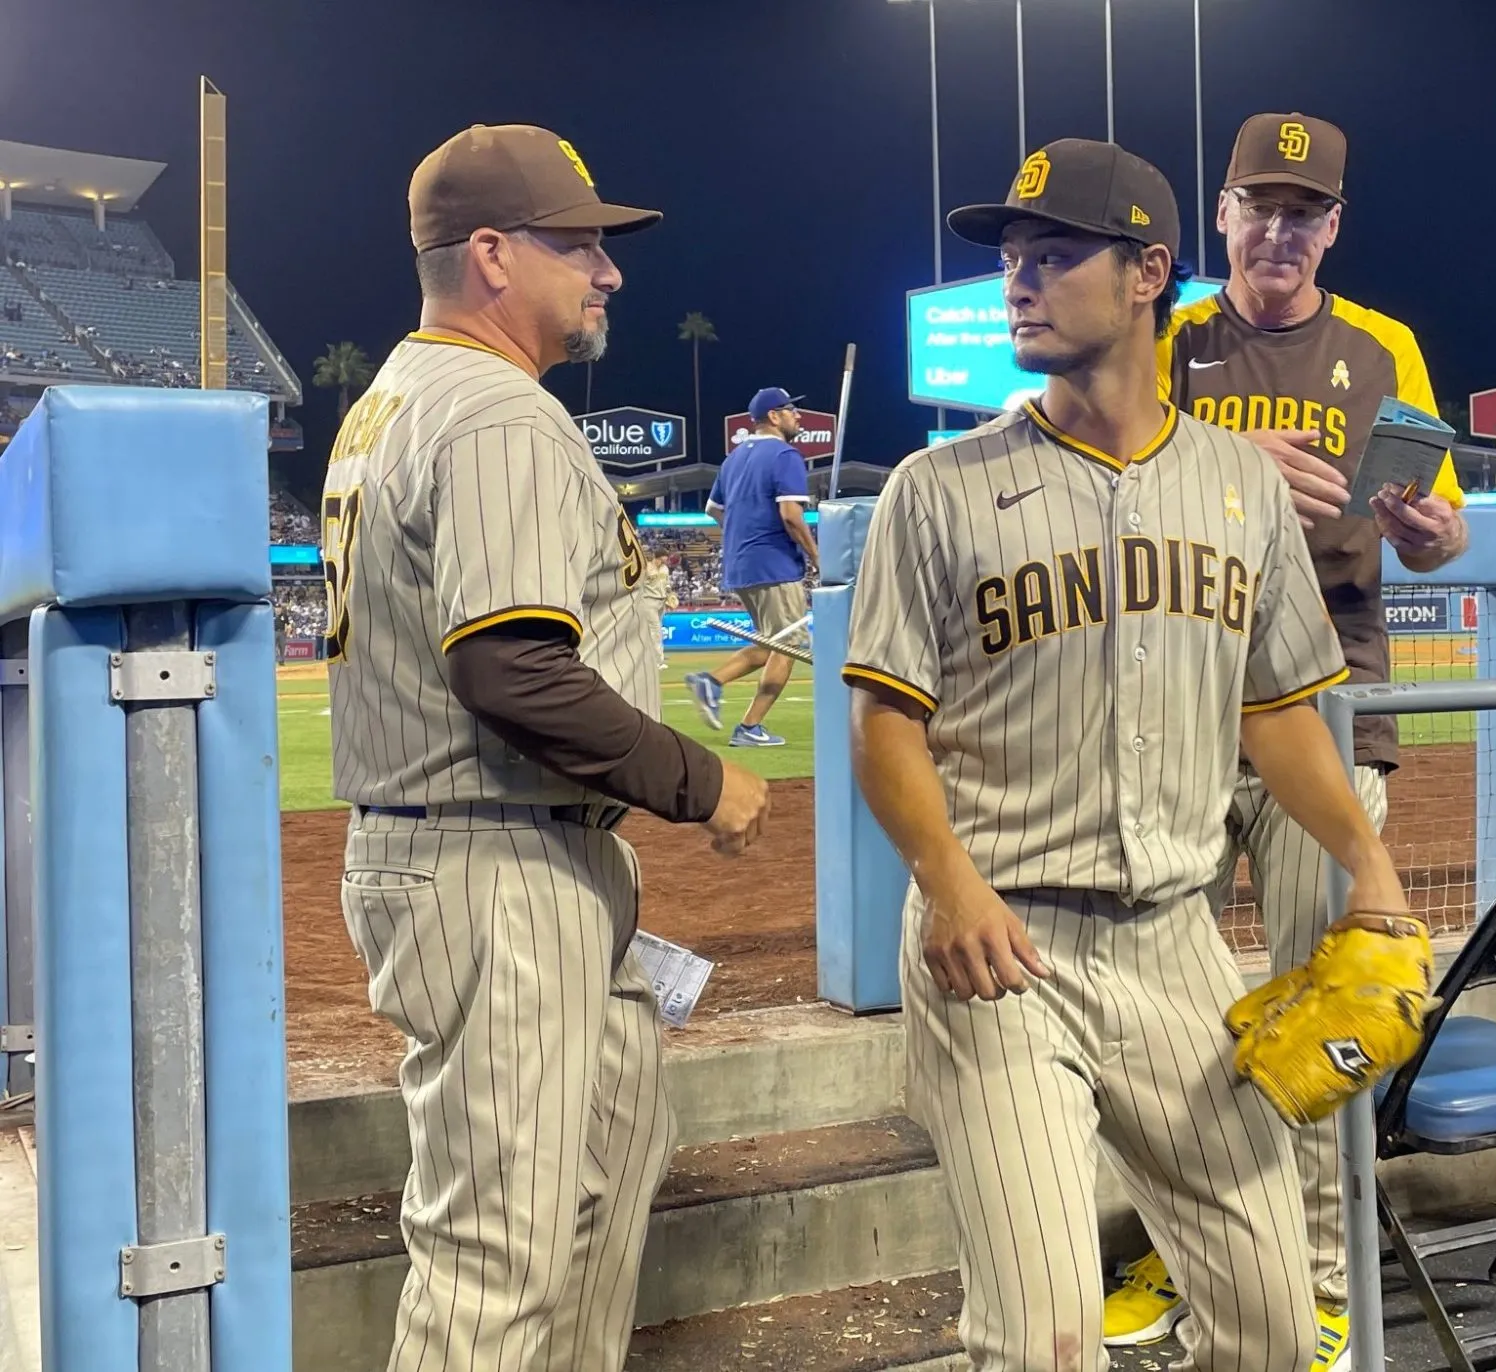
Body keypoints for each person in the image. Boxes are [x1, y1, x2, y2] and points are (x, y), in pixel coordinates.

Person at [845, 137, 1415, 1372]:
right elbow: (886, 720)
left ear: (1150, 270)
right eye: (1011, 260)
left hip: (1175, 949)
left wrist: (1365, 865)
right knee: (1045, 1339)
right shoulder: (936, 491)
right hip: (1002, 945)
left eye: (1053, 257)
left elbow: (1278, 711)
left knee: (1273, 1325)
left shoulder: (1235, 485)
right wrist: (946, 882)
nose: (1017, 284)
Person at [322, 123, 770, 1372]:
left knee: (606, 1168)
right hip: (491, 861)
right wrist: (701, 779)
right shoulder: (491, 413)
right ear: (490, 254)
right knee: (498, 1256)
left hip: (516, 858)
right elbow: (507, 666)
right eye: (576, 243)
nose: (606, 270)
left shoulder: (399, 400)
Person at [1106, 111, 1470, 1367]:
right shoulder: (1173, 338)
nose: (1277, 229)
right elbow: (1104, 487)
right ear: (1220, 215)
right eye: (1256, 205)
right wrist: (1218, 458)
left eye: (1302, 212)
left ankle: (1315, 1278)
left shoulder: (1380, 346)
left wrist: (1423, 528)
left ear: (1331, 227)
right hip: (1180, 698)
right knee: (1163, 997)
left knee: (1321, 994)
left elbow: (1445, 531)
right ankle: (1185, 1242)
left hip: (1327, 696)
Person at [685, 386, 820, 747]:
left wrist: (742, 529)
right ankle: (748, 727)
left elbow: (713, 510)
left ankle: (710, 683)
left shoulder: (733, 459)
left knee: (773, 643)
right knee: (791, 646)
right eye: (792, 410)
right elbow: (791, 515)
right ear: (774, 416)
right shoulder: (785, 455)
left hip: (741, 564)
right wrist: (817, 555)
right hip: (773, 563)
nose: (798, 416)